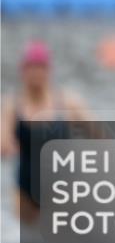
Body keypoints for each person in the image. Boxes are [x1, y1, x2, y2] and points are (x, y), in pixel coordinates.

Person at [1, 40, 96, 224]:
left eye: (41, 67)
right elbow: (3, 145)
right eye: (31, 67)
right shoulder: (11, 105)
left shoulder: (69, 103)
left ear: (49, 71)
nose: (36, 73)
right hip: (25, 191)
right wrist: (7, 146)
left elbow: (101, 139)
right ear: (23, 71)